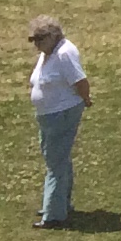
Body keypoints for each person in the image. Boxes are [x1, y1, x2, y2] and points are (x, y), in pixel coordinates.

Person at [27, 17, 89, 229]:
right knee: (57, 158)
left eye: (40, 39)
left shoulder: (64, 54)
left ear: (54, 36)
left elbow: (80, 81)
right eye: (33, 40)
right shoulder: (48, 52)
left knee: (55, 163)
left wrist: (86, 100)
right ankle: (61, 203)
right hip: (49, 115)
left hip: (61, 114)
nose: (36, 44)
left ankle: (53, 215)